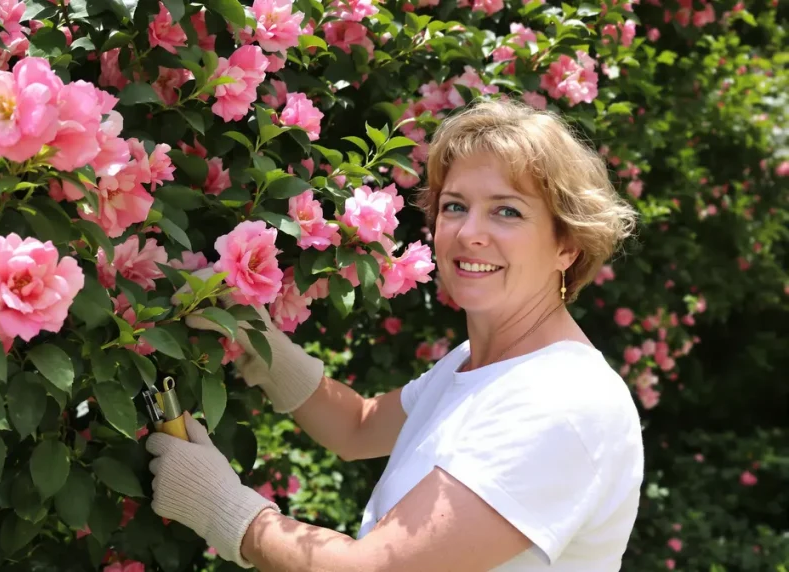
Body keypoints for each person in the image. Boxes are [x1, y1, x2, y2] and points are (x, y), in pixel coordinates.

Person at [144, 98, 644, 571]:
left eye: (506, 210)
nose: (470, 231)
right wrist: (259, 344)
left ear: (568, 246)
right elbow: (359, 427)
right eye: (454, 206)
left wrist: (228, 510)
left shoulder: (561, 402)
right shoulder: (477, 364)